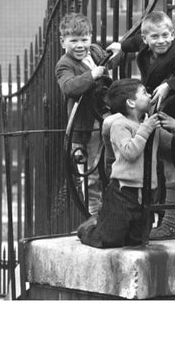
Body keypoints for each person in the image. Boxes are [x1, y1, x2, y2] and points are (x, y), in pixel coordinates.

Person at [112, 11, 175, 240]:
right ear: (146, 39)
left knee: (171, 167)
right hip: (155, 115)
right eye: (155, 36)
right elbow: (134, 41)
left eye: (166, 35)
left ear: (172, 35)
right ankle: (151, 219)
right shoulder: (144, 46)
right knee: (156, 167)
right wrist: (121, 46)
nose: (161, 40)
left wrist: (169, 85)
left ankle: (170, 224)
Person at [77, 78, 175, 248]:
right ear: (130, 102)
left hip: (146, 194)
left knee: (137, 239)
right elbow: (130, 152)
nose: (150, 95)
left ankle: (105, 223)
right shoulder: (120, 125)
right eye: (144, 93)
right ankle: (89, 227)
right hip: (122, 191)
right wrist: (146, 129)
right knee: (109, 240)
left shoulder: (150, 126)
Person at [55, 12, 121, 216]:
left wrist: (118, 52)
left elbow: (110, 63)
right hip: (86, 127)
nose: (80, 45)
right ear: (62, 41)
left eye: (84, 39)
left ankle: (113, 210)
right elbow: (69, 87)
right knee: (90, 174)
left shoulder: (94, 51)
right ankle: (93, 216)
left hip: (106, 119)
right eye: (73, 41)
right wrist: (92, 75)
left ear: (90, 38)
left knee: (111, 165)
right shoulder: (65, 64)